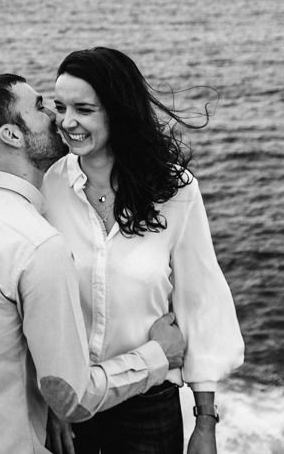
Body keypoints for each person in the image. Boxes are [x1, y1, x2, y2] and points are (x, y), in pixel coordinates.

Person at [0, 73, 187, 454]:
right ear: (12, 135)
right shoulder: (40, 244)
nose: (56, 118)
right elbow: (75, 399)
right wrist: (158, 355)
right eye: (39, 107)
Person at [44, 47, 245, 454]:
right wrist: (51, 404)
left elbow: (198, 299)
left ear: (118, 112)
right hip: (73, 402)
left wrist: (205, 422)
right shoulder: (47, 187)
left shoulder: (175, 189)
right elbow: (35, 306)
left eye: (84, 109)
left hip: (148, 404)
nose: (67, 122)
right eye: (60, 107)